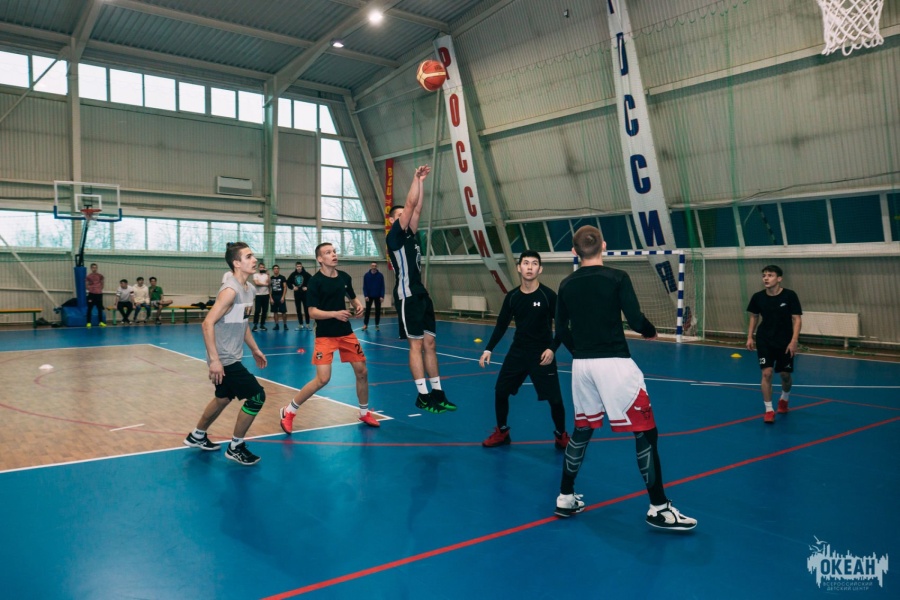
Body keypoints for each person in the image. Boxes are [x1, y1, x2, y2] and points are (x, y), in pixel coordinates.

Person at [552, 225, 696, 531]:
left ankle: (565, 496)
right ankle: (659, 508)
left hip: (582, 367)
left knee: (582, 430)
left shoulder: (565, 284)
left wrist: (582, 353)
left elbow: (561, 330)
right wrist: (650, 331)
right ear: (604, 245)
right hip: (614, 363)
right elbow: (634, 318)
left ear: (574, 252)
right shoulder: (617, 277)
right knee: (646, 433)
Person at [279, 242, 380, 433]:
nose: (333, 254)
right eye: (328, 252)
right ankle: (289, 411)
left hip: (346, 333)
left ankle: (364, 412)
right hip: (325, 335)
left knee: (362, 372)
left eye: (334, 251)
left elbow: (352, 297)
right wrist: (334, 314)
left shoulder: (344, 277)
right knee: (322, 379)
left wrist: (358, 305)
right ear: (320, 259)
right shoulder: (315, 282)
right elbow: (312, 312)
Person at [184, 241, 268, 466]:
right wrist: (214, 360)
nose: (254, 260)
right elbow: (207, 323)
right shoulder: (230, 291)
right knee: (257, 397)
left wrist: (255, 349)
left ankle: (197, 435)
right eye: (248, 256)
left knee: (223, 398)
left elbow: (242, 322)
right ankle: (236, 447)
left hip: (231, 355)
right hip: (224, 358)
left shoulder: (249, 289)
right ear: (236, 263)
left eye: (253, 256)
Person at [479, 251, 570, 449]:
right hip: (518, 352)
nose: (530, 267)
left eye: (534, 263)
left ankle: (561, 435)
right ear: (519, 268)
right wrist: (488, 349)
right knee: (501, 391)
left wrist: (552, 349)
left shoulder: (548, 296)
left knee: (555, 400)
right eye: (526, 263)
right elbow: (501, 325)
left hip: (542, 353)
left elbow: (563, 326)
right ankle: (502, 432)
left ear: (540, 269)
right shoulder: (512, 297)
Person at [386, 165, 455, 414]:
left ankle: (438, 393)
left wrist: (422, 182)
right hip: (407, 296)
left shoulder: (411, 236)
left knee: (430, 344)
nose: (406, 216)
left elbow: (417, 208)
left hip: (421, 294)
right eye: (400, 215)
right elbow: (410, 204)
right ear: (393, 220)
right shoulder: (394, 237)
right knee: (415, 345)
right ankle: (423, 396)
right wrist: (414, 178)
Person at [745, 264, 802, 424]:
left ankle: (784, 398)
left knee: (785, 375)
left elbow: (797, 319)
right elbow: (754, 316)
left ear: (779, 278)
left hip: (785, 341)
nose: (766, 278)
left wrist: (794, 341)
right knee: (767, 373)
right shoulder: (758, 297)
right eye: (764, 275)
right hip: (764, 340)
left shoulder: (790, 296)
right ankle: (769, 410)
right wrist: (750, 337)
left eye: (770, 275)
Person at [286, 261, 312, 330]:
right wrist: (293, 287)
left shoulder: (306, 274)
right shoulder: (293, 274)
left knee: (306, 309)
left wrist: (307, 287)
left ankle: (308, 324)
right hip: (297, 294)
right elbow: (288, 282)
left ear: (302, 266)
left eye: (300, 266)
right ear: (296, 267)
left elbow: (312, 281)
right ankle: (300, 324)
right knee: (298, 309)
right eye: (297, 266)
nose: (299, 268)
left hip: (305, 294)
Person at [362, 262, 385, 331]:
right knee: (367, 311)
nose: (374, 267)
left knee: (378, 311)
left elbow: (382, 286)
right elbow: (364, 286)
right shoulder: (366, 275)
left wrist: (382, 296)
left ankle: (377, 325)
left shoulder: (380, 275)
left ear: (376, 267)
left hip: (378, 296)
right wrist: (366, 295)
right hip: (369, 296)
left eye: (375, 266)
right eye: (373, 266)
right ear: (371, 266)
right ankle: (365, 324)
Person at [85, 263, 106, 328]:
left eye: (95, 267)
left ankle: (101, 322)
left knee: (99, 308)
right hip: (91, 294)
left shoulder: (100, 276)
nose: (94, 269)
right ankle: (88, 322)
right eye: (93, 267)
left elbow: (102, 283)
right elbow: (86, 284)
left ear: (97, 268)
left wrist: (99, 289)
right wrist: (90, 289)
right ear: (91, 268)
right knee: (90, 308)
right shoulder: (88, 276)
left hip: (99, 294)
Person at [269, 264, 289, 331]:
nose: (276, 270)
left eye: (277, 268)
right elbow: (269, 288)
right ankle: (277, 325)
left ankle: (285, 325)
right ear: (273, 270)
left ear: (279, 269)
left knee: (283, 312)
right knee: (275, 312)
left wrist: (283, 297)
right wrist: (271, 298)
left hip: (280, 296)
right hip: (274, 297)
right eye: (275, 268)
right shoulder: (271, 278)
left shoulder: (282, 277)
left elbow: (285, 287)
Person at [251, 262, 270, 332]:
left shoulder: (266, 275)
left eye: (263, 267)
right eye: (261, 267)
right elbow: (257, 283)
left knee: (265, 310)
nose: (262, 268)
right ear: (258, 268)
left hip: (266, 295)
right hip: (258, 295)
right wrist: (265, 284)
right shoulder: (255, 275)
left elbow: (269, 283)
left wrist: (268, 274)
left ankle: (262, 325)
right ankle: (255, 325)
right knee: (257, 310)